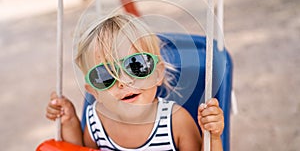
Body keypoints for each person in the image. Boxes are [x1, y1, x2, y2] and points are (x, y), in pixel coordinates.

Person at [46, 14, 224, 150]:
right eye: (105, 75)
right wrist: (69, 122)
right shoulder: (96, 120)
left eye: (136, 65)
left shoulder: (176, 121)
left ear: (157, 74)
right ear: (94, 92)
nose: (122, 82)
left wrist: (213, 137)